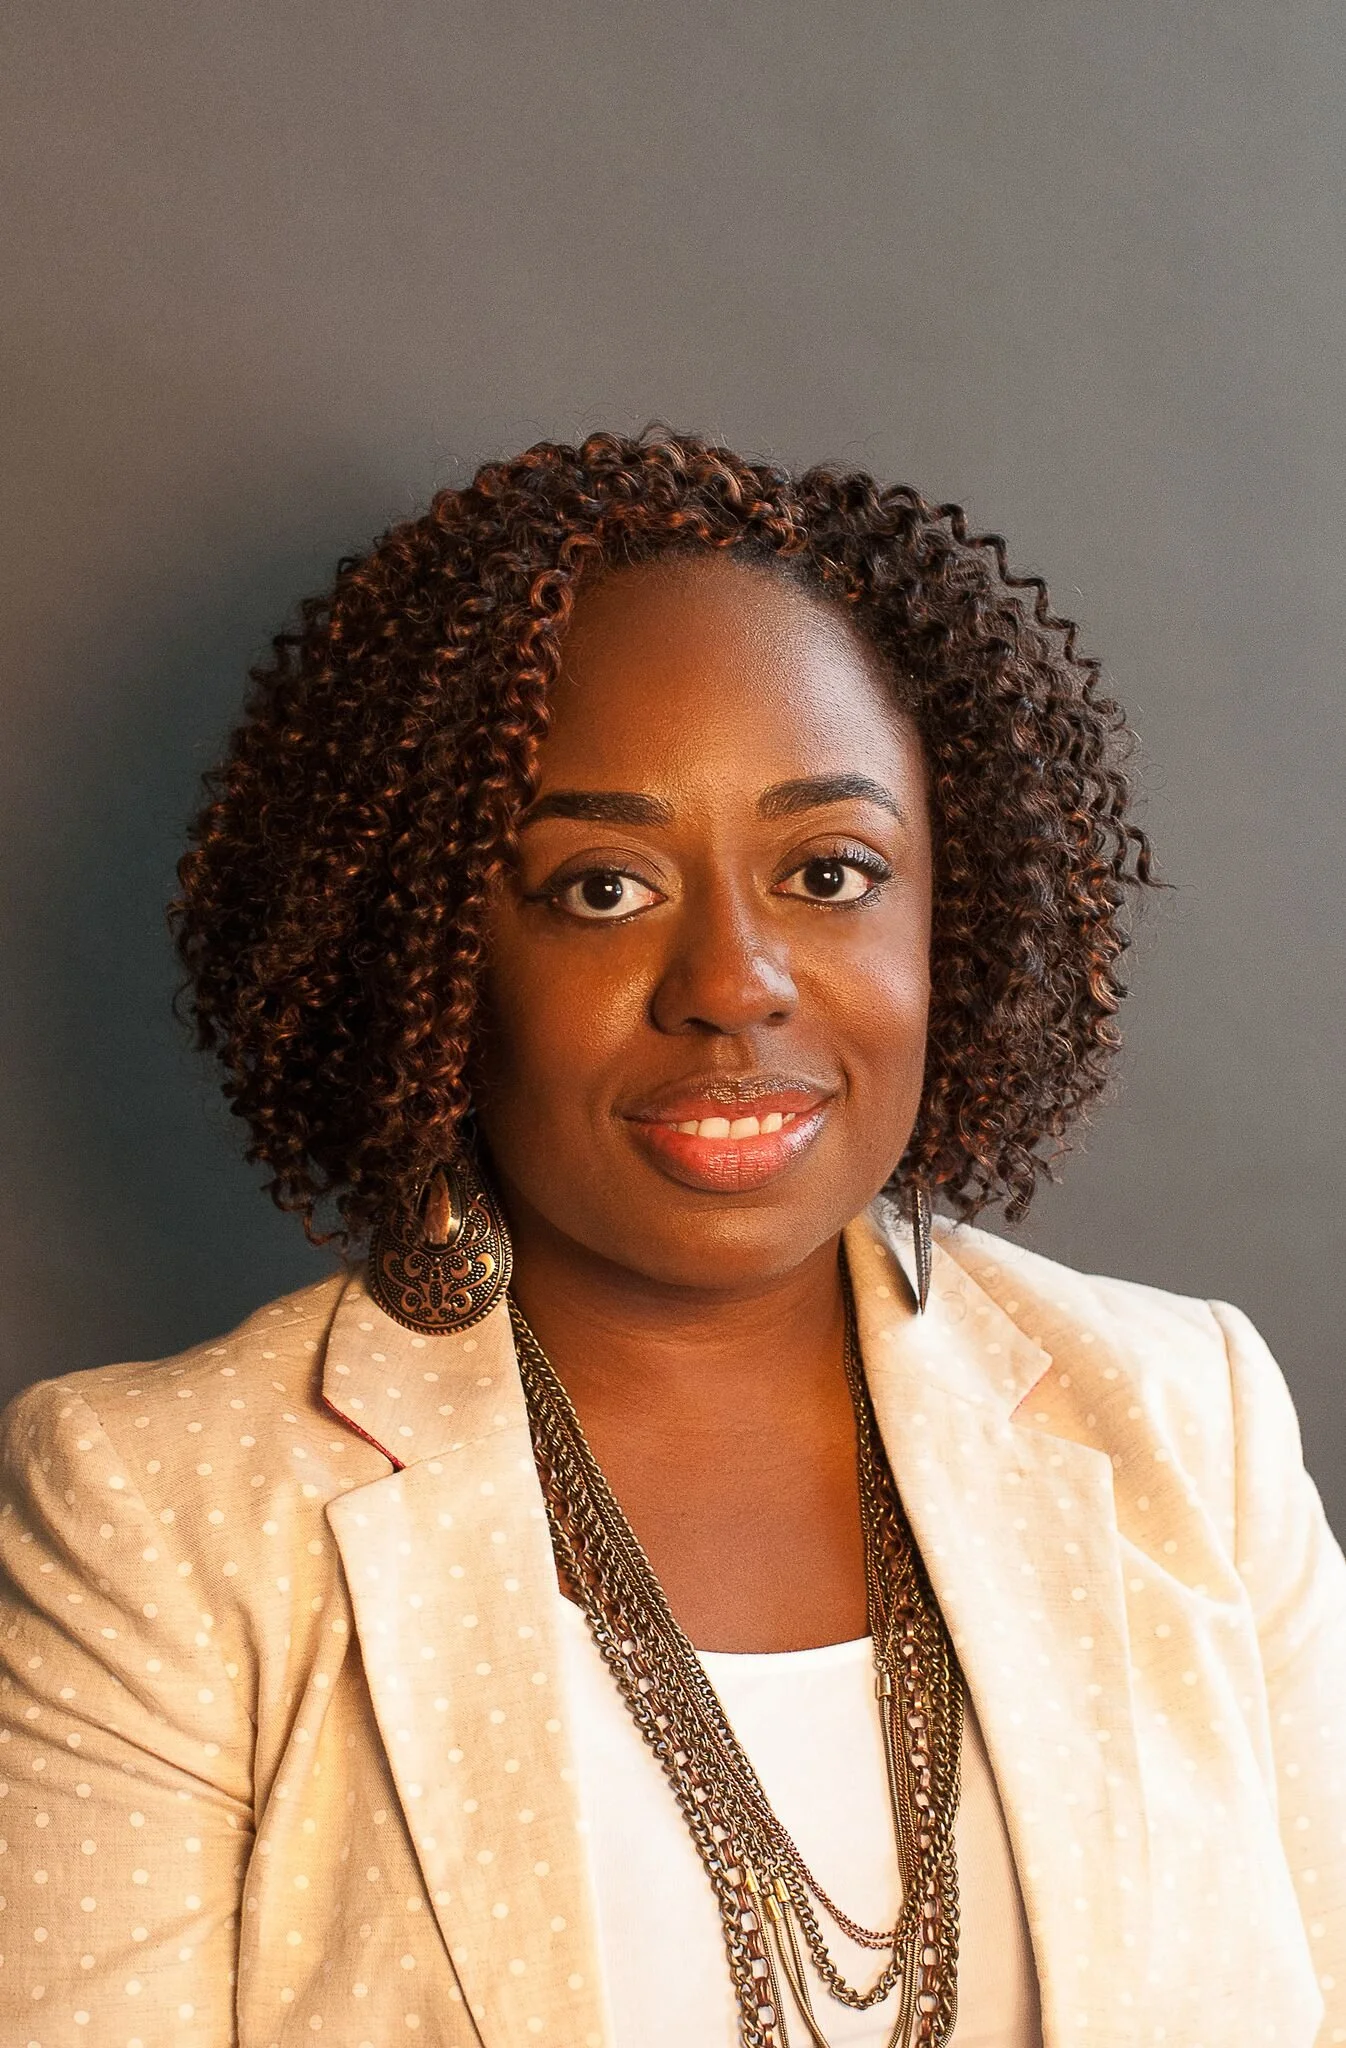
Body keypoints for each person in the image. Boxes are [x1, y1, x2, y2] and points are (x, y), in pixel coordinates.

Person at [1, 430, 1342, 2048]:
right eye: (601, 889)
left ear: (952, 915)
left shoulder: (1185, 1425)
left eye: (828, 872)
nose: (731, 983)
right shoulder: (162, 1515)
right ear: (432, 959)